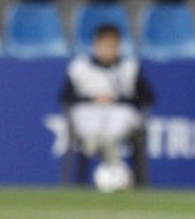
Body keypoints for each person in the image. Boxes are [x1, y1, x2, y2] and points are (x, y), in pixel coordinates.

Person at [59, 24, 155, 187]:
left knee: (122, 116)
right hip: (89, 111)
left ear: (118, 46)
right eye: (103, 45)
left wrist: (116, 100)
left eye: (111, 45)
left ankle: (102, 143)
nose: (107, 50)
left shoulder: (129, 68)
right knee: (84, 117)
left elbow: (147, 97)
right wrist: (92, 100)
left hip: (118, 113)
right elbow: (65, 96)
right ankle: (96, 142)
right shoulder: (80, 67)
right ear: (95, 45)